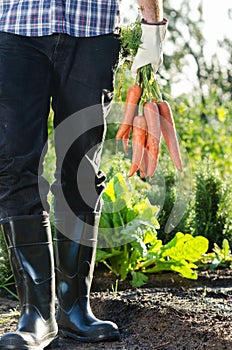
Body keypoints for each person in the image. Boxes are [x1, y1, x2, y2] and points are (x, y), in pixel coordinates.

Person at [0, 1, 167, 349]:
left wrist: (153, 25)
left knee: (81, 170)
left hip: (92, 27)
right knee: (14, 167)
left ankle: (75, 310)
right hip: (15, 25)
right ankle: (36, 315)